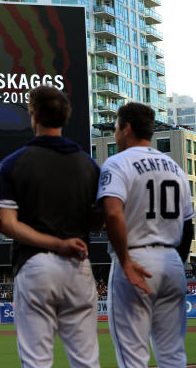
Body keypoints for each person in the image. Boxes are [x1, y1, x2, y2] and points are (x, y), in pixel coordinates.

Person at [0, 86, 101, 368]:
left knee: (36, 361)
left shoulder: (13, 163)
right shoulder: (88, 165)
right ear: (66, 116)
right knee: (86, 360)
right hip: (79, 263)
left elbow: (7, 224)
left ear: (34, 115)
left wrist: (55, 242)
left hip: (35, 264)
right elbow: (99, 219)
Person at [98, 102, 194, 367]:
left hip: (136, 258)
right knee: (173, 354)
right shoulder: (175, 168)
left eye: (117, 127)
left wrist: (126, 261)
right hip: (172, 262)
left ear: (127, 128)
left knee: (133, 357)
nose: (116, 133)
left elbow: (113, 213)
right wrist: (175, 262)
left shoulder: (117, 163)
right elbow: (188, 226)